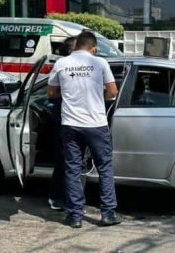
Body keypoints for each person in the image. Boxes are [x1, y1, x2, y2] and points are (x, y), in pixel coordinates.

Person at [47, 31, 120, 229]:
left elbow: (51, 93)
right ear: (93, 48)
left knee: (72, 169)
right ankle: (108, 214)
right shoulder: (100, 63)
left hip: (70, 124)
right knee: (104, 168)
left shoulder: (61, 64)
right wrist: (97, 97)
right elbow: (113, 92)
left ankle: (75, 216)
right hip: (96, 124)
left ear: (77, 45)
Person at [47, 36, 77, 212]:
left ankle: (67, 198)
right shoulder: (64, 65)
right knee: (66, 160)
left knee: (68, 160)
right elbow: (51, 93)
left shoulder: (66, 65)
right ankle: (59, 197)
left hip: (70, 119)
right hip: (67, 118)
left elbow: (51, 93)